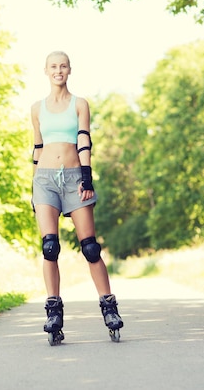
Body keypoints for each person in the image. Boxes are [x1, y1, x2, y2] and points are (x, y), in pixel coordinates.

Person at [31, 51, 123, 344]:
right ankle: (53, 311)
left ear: (70, 69)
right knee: (49, 247)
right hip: (44, 180)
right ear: (46, 71)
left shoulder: (79, 104)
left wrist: (86, 175)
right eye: (53, 66)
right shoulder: (36, 108)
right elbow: (37, 146)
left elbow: (83, 138)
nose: (58, 70)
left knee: (91, 248)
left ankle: (109, 307)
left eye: (63, 66)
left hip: (75, 178)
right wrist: (33, 186)